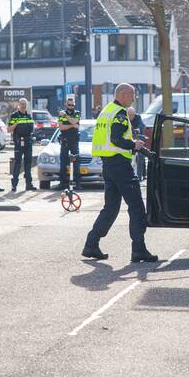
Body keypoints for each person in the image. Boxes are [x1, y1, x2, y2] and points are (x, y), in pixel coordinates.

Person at [82, 83, 157, 263]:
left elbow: (112, 138)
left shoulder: (106, 110)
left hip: (108, 164)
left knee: (111, 207)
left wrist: (135, 146)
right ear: (123, 95)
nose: (133, 99)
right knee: (136, 206)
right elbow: (116, 139)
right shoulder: (120, 114)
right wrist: (133, 144)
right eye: (132, 96)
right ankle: (138, 249)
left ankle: (91, 244)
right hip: (120, 165)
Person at [8, 98, 35, 191]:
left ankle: (29, 184)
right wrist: (16, 123)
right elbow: (9, 129)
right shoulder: (14, 115)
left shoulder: (29, 116)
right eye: (22, 104)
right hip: (19, 142)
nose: (24, 105)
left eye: (25, 104)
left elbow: (32, 129)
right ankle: (14, 185)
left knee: (28, 163)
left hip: (28, 142)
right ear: (19, 105)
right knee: (18, 163)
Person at [56, 95, 82, 190]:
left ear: (74, 104)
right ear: (66, 104)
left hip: (74, 141)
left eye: (72, 105)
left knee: (76, 162)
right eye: (69, 105)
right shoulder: (61, 114)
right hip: (65, 141)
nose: (71, 106)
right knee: (63, 163)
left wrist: (66, 117)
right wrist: (72, 125)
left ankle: (78, 183)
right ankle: (62, 183)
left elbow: (75, 121)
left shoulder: (77, 113)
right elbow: (61, 127)